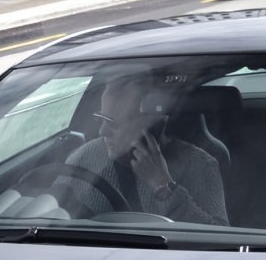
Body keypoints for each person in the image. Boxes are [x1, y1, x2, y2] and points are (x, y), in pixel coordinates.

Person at [69, 73, 228, 225]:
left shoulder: (200, 165)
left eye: (113, 123)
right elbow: (54, 212)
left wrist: (163, 185)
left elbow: (220, 239)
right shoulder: (83, 157)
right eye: (101, 119)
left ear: (154, 127)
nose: (102, 132)